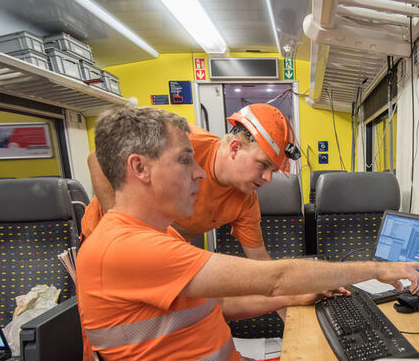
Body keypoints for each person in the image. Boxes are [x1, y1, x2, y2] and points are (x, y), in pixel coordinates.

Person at [76, 106, 419, 361]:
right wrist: (376, 269)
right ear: (139, 169)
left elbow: (221, 306)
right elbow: (273, 278)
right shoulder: (126, 248)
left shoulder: (164, 237)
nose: (197, 173)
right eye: (183, 161)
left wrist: (297, 296)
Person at [81, 102, 298, 261]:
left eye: (273, 170)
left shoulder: (245, 201)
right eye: (263, 165)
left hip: (155, 255)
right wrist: (123, 233)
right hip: (103, 242)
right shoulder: (183, 142)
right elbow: (97, 159)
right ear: (235, 149)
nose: (269, 178)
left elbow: (259, 259)